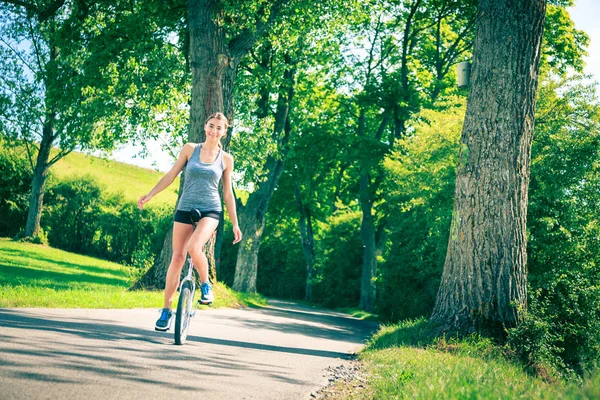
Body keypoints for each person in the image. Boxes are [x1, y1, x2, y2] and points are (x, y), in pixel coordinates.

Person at [137, 112, 242, 331]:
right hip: (185, 207)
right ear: (205, 126)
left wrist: (235, 223)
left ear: (225, 131)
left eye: (219, 128)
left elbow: (228, 193)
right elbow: (172, 174)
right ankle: (166, 310)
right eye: (211, 126)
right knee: (177, 257)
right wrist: (150, 194)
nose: (214, 131)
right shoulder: (189, 149)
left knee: (195, 247)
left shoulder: (226, 159)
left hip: (211, 211)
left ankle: (205, 284)